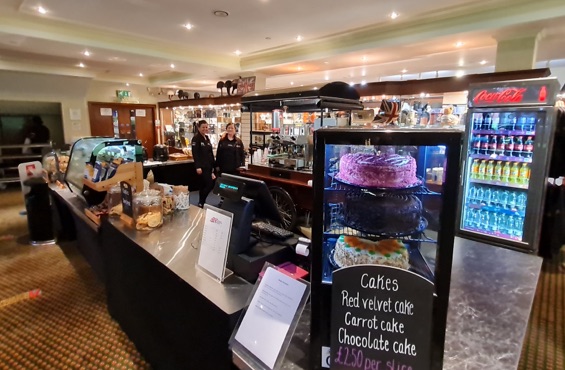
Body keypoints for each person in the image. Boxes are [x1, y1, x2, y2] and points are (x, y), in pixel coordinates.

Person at [191, 120, 216, 207]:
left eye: (206, 127)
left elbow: (210, 153)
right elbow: (195, 153)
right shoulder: (196, 138)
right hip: (202, 166)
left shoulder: (207, 138)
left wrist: (213, 166)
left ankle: (201, 202)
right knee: (209, 185)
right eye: (203, 127)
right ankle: (202, 201)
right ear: (198, 128)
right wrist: (197, 166)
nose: (205, 129)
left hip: (209, 166)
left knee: (204, 185)